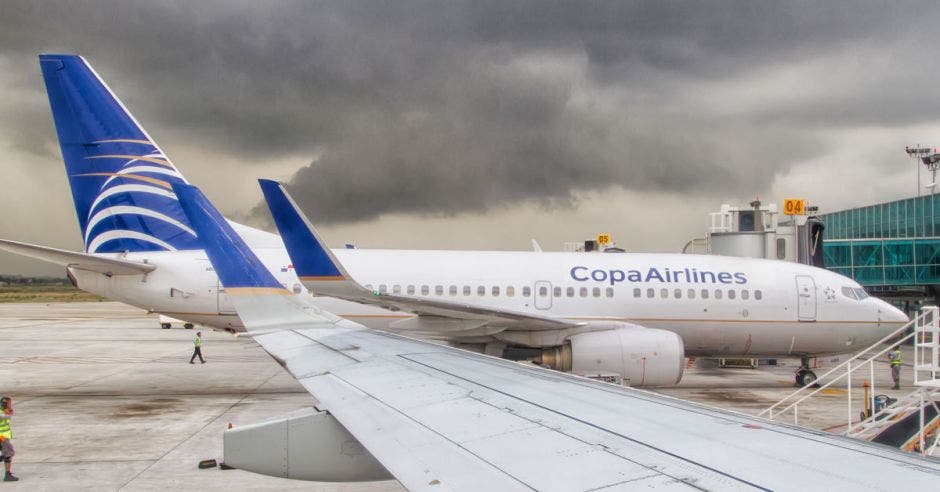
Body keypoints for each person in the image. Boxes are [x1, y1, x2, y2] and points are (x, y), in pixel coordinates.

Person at [0, 396, 17, 482]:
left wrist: (8, 410)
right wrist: (8, 411)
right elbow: (6, 416)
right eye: (9, 403)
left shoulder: (3, 411)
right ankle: (7, 475)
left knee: (6, 454)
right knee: (9, 454)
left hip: (3, 436)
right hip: (1, 437)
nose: (11, 405)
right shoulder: (2, 413)